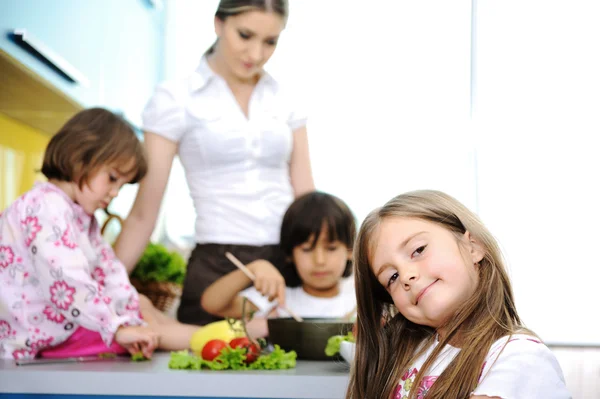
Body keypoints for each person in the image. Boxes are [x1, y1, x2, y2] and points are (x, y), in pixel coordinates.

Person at [113, 0, 315, 326]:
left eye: (270, 41)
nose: (256, 53)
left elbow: (307, 201)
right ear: (219, 23)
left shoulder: (285, 99)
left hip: (285, 267)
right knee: (206, 368)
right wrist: (101, 289)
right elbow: (142, 214)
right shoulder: (175, 100)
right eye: (245, 35)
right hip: (217, 265)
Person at [0, 108, 199, 360]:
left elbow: (109, 270)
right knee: (147, 323)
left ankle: (226, 337)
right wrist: (117, 326)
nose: (115, 192)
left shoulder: (80, 216)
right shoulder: (44, 207)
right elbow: (66, 280)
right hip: (37, 337)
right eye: (112, 178)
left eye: (121, 185)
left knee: (142, 307)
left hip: (60, 328)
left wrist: (127, 309)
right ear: (78, 157)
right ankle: (229, 339)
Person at [346, 190, 570, 399]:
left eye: (418, 250)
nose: (405, 276)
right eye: (392, 277)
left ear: (473, 246)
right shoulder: (404, 355)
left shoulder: (521, 358)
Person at [201, 192, 356, 337]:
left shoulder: (360, 298)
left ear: (351, 250)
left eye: (331, 248)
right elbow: (213, 305)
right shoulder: (277, 297)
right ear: (290, 254)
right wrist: (253, 268)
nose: (320, 261)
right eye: (307, 249)